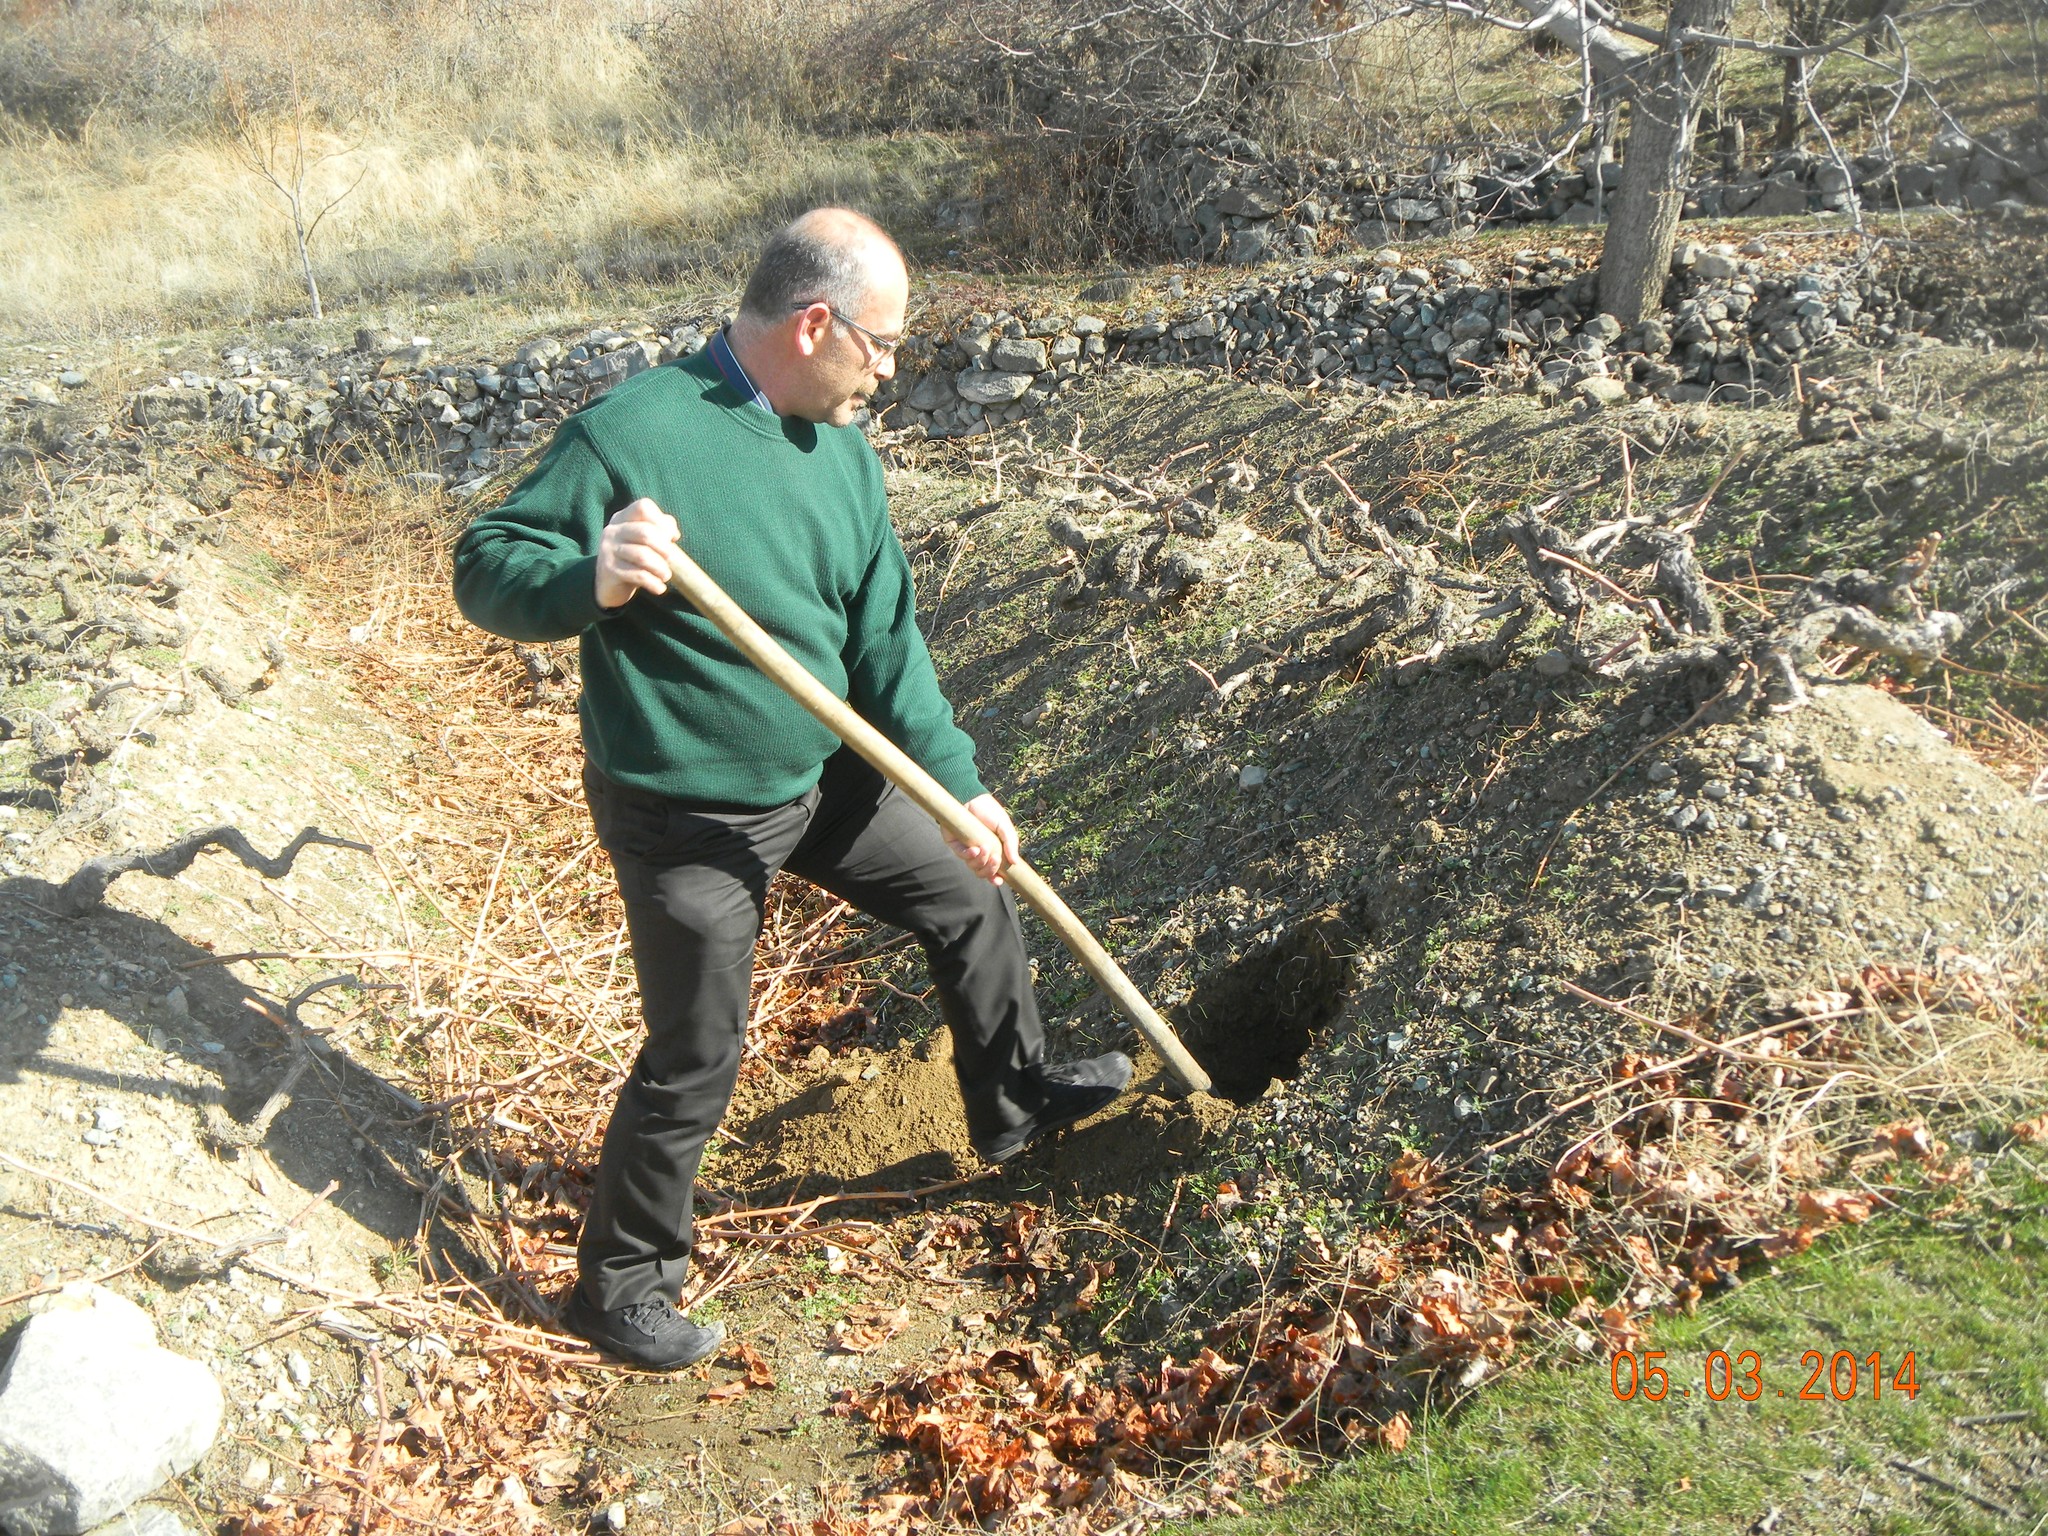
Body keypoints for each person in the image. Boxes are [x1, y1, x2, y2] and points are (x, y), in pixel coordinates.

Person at [451, 208, 1132, 1371]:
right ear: (815, 325)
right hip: (685, 812)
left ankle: (1010, 1104)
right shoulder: (629, 435)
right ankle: (619, 1288)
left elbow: (887, 650)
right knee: (696, 1048)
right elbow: (485, 567)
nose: (889, 370)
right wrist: (592, 578)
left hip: (817, 780)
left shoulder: (846, 459)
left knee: (969, 898)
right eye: (882, 345)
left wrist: (959, 788)